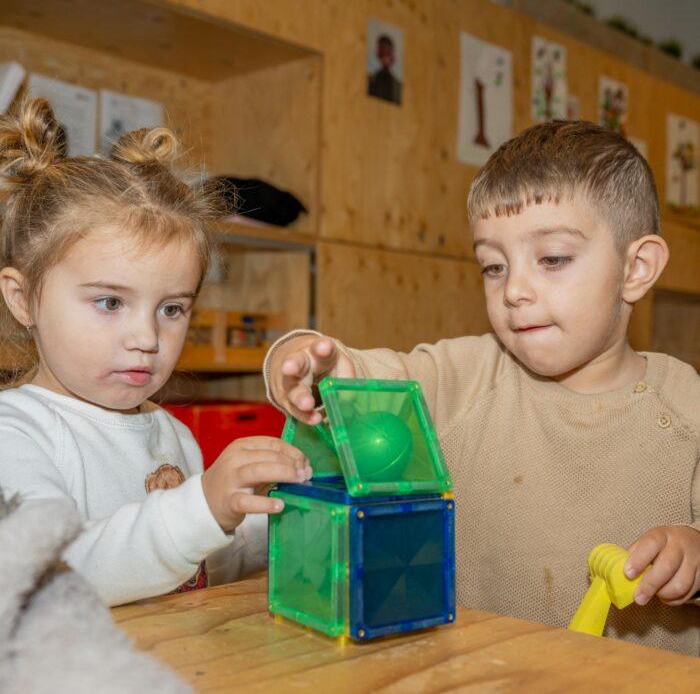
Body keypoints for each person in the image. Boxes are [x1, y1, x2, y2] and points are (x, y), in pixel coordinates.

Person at [264, 120, 700, 655]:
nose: (514, 289)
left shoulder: (687, 408)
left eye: (553, 259)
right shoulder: (467, 374)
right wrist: (305, 362)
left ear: (637, 267)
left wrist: (695, 559)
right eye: (494, 266)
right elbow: (361, 372)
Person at [0, 98, 311, 606]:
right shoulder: (15, 434)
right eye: (110, 302)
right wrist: (203, 506)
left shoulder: (171, 434)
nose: (146, 337)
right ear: (22, 298)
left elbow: (193, 565)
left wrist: (271, 515)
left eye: (171, 309)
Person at [367, 34, 402, 105]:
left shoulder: (397, 85)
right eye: (382, 50)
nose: (385, 56)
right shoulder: (372, 79)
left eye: (387, 51)